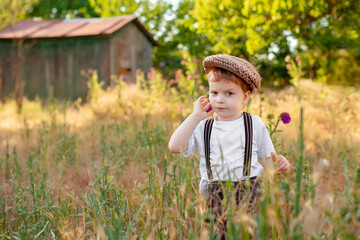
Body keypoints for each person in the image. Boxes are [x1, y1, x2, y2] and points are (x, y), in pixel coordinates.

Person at [168, 54, 290, 238]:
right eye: (214, 93)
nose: (220, 100)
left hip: (250, 196)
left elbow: (268, 162)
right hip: (214, 200)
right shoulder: (204, 126)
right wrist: (195, 116)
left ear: (245, 97)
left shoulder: (254, 124)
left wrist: (280, 164)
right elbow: (174, 147)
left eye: (229, 93)